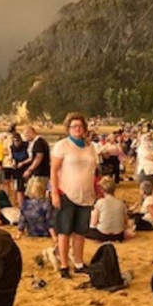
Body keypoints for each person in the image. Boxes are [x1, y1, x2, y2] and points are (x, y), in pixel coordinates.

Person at [50, 112, 99, 278]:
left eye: (80, 126)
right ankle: (64, 265)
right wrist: (55, 193)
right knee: (64, 230)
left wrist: (97, 190)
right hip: (66, 193)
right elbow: (54, 170)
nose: (77, 129)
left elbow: (94, 171)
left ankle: (78, 262)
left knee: (80, 231)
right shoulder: (62, 146)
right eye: (74, 126)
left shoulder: (90, 147)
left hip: (86, 195)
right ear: (68, 129)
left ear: (85, 129)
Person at [85, 177, 133, 242]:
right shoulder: (121, 203)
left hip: (102, 235)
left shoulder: (100, 202)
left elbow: (94, 222)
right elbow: (126, 221)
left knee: (83, 230)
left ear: (102, 190)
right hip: (118, 235)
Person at [21, 126, 51, 197]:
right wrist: (23, 163)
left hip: (40, 173)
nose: (26, 138)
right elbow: (32, 158)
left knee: (37, 195)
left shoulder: (39, 143)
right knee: (30, 194)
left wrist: (29, 170)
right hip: (36, 173)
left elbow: (38, 157)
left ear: (30, 133)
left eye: (26, 136)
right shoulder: (36, 142)